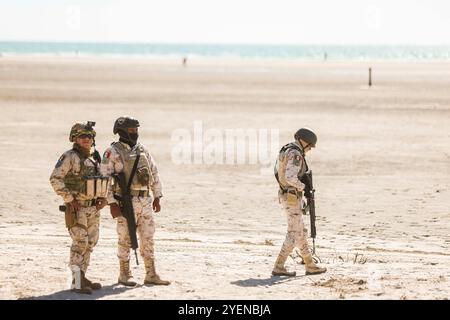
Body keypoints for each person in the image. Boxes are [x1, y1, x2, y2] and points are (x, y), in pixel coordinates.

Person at [102, 116, 170, 286]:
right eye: (131, 130)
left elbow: (154, 172)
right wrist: (111, 203)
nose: (135, 133)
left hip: (145, 200)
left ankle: (151, 273)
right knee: (125, 238)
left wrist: (157, 196)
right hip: (125, 202)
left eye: (136, 130)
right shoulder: (112, 151)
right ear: (122, 131)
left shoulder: (142, 150)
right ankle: (124, 274)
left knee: (148, 237)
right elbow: (104, 180)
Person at [49, 122, 108, 294]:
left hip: (93, 209)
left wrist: (104, 198)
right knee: (79, 243)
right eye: (82, 136)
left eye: (89, 136)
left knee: (90, 242)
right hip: (77, 209)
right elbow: (55, 179)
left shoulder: (96, 156)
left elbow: (105, 178)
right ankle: (76, 280)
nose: (86, 139)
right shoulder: (69, 157)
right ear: (74, 138)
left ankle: (82, 275)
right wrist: (69, 198)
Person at [272, 128, 327, 276]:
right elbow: (291, 178)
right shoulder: (296, 153)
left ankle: (310, 264)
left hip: (288, 195)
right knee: (294, 233)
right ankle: (279, 265)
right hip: (291, 196)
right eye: (309, 146)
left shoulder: (287, 149)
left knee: (301, 231)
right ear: (303, 142)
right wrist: (305, 187)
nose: (309, 149)